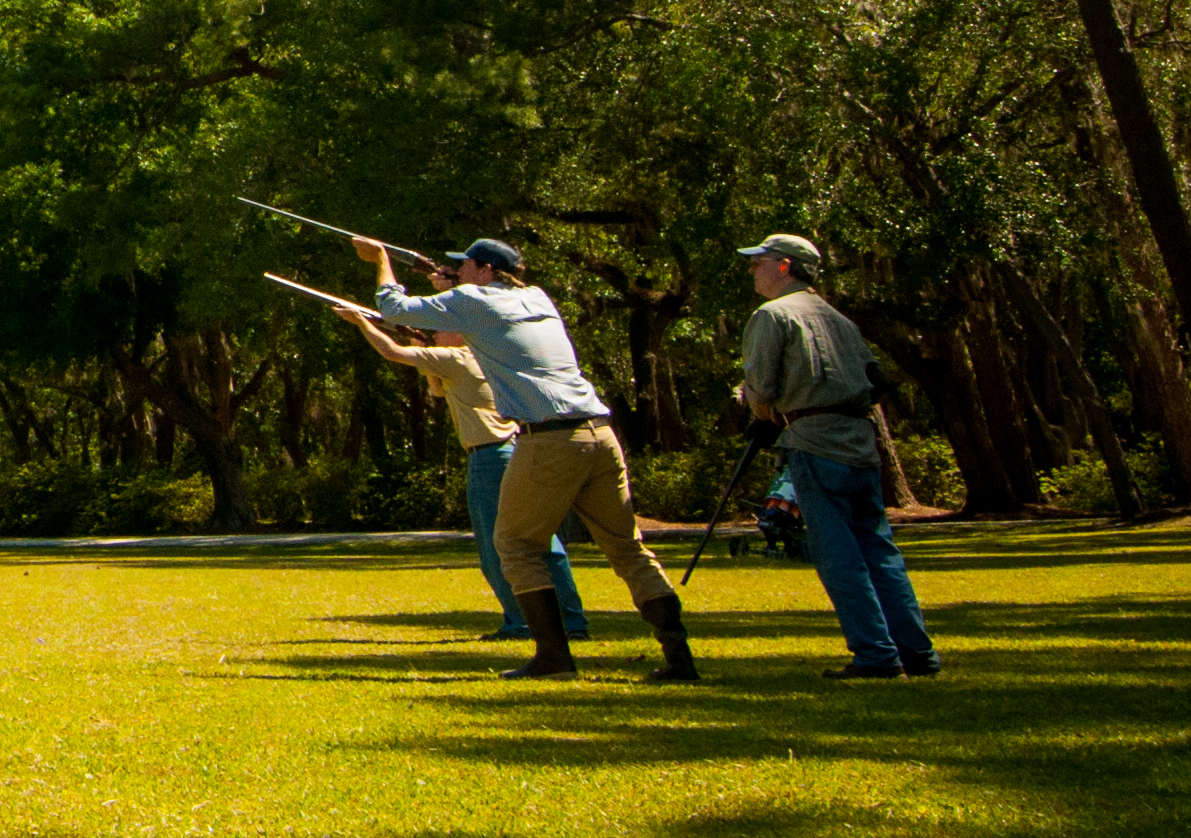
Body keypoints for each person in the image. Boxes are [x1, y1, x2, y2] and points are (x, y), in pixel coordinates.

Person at [351, 234, 698, 683]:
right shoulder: (536, 297)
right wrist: (449, 284)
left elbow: (393, 307)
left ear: (486, 271)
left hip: (548, 440)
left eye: (466, 264)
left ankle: (554, 657)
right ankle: (679, 658)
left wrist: (381, 259)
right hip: (599, 433)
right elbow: (484, 309)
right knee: (627, 548)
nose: (460, 269)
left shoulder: (474, 301)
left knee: (515, 546)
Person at [734, 233, 938, 681]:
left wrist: (760, 410)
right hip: (860, 443)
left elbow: (762, 390)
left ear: (784, 266)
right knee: (880, 550)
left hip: (813, 442)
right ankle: (917, 653)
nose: (752, 270)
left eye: (759, 262)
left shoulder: (772, 316)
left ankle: (876, 656)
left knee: (838, 555)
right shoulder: (839, 318)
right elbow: (876, 378)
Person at [337, 289, 586, 640]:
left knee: (495, 548)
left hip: (490, 457)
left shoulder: (456, 358)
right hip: (513, 449)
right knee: (542, 541)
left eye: (442, 327)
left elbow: (390, 352)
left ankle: (521, 622)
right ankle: (571, 620)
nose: (436, 332)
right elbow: (438, 391)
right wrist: (425, 352)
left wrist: (362, 322)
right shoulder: (487, 356)